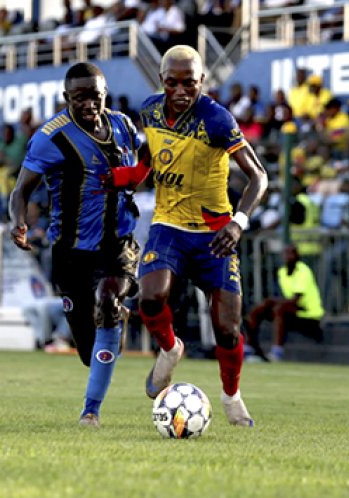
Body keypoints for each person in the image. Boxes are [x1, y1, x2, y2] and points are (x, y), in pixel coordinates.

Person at [110, 46, 267, 427]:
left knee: (227, 330)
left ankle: (231, 397)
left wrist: (238, 223)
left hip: (215, 235)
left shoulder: (216, 118)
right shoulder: (150, 111)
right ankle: (169, 349)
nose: (181, 91)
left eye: (189, 83)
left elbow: (259, 176)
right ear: (161, 80)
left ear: (202, 81)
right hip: (169, 226)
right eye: (172, 83)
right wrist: (114, 179)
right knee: (150, 297)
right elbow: (149, 163)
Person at [9, 62, 142, 428]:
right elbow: (21, 190)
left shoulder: (123, 126)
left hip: (117, 245)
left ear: (105, 93)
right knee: (88, 351)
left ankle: (90, 411)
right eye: (80, 97)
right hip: (71, 254)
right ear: (66, 97)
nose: (89, 104)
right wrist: (18, 222)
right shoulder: (51, 138)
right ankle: (110, 324)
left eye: (95, 96)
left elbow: (140, 171)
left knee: (108, 299)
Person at [244, 245, 324, 362]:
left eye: (290, 254)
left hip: (308, 312)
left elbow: (296, 298)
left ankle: (277, 352)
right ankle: (249, 348)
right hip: (293, 308)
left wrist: (273, 301)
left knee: (279, 309)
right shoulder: (282, 272)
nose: (287, 257)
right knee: (259, 309)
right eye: (285, 254)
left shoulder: (303, 270)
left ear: (297, 256)